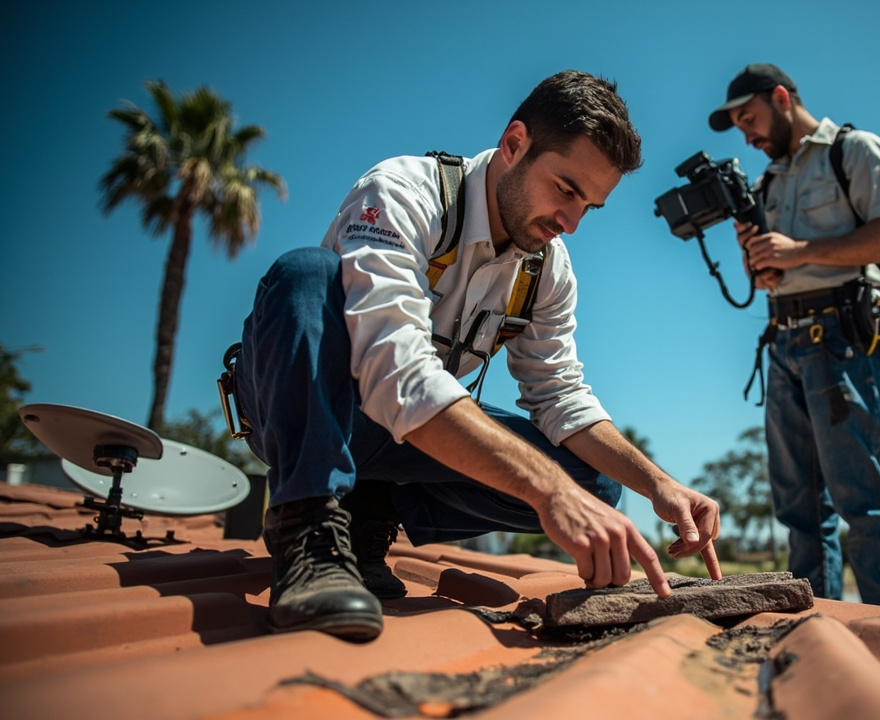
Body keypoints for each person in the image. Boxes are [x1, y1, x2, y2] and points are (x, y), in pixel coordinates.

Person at [235, 70, 722, 641]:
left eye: (590, 206)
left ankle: (369, 511)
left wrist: (658, 485)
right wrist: (547, 491)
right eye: (566, 190)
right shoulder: (403, 190)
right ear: (514, 144)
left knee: (595, 485)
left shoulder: (548, 267)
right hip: (302, 413)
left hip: (395, 442)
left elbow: (560, 396)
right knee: (307, 275)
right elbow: (395, 371)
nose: (571, 223)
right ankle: (308, 532)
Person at [707, 64, 880, 608]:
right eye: (738, 127)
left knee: (863, 498)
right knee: (799, 508)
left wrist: (799, 252)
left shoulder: (852, 150)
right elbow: (767, 277)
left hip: (843, 340)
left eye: (750, 119)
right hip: (783, 342)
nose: (747, 135)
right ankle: (812, 622)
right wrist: (758, 258)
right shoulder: (767, 182)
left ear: (782, 98)